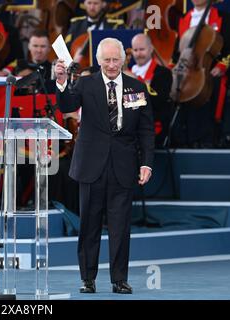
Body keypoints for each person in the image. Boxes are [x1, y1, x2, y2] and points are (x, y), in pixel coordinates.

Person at [55, 38, 155, 294]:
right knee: (89, 224)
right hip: (91, 165)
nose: (111, 65)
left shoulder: (136, 87)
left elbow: (145, 130)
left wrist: (146, 164)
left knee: (121, 227)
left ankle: (119, 279)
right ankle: (87, 279)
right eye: (106, 60)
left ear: (124, 59)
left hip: (124, 165)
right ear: (98, 61)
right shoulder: (85, 84)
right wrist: (62, 81)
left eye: (115, 59)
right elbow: (67, 105)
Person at [171, 0, 230, 147]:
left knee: (212, 87)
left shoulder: (224, 17)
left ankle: (210, 139)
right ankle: (184, 138)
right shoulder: (184, 19)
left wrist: (223, 65)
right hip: (189, 69)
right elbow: (178, 50)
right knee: (175, 89)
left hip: (212, 70)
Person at [131, 33, 173, 148]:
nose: (139, 54)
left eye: (142, 49)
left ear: (151, 49)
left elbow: (156, 101)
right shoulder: (128, 72)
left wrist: (136, 82)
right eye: (135, 50)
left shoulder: (164, 73)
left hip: (153, 130)